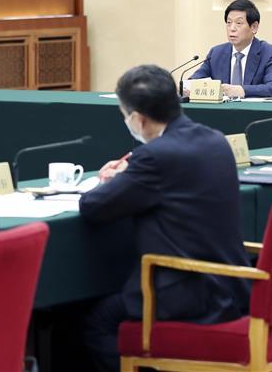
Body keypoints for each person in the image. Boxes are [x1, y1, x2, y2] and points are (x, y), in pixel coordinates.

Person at [79, 65, 251, 371]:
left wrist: (112, 181)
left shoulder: (154, 156)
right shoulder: (215, 140)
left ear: (137, 118)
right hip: (231, 284)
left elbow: (94, 206)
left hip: (188, 293)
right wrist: (130, 176)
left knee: (95, 321)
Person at [187, 0, 272, 98]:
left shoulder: (270, 53)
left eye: (239, 23)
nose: (232, 28)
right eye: (229, 23)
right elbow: (196, 80)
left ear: (254, 27)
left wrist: (242, 90)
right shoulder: (216, 53)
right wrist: (186, 87)